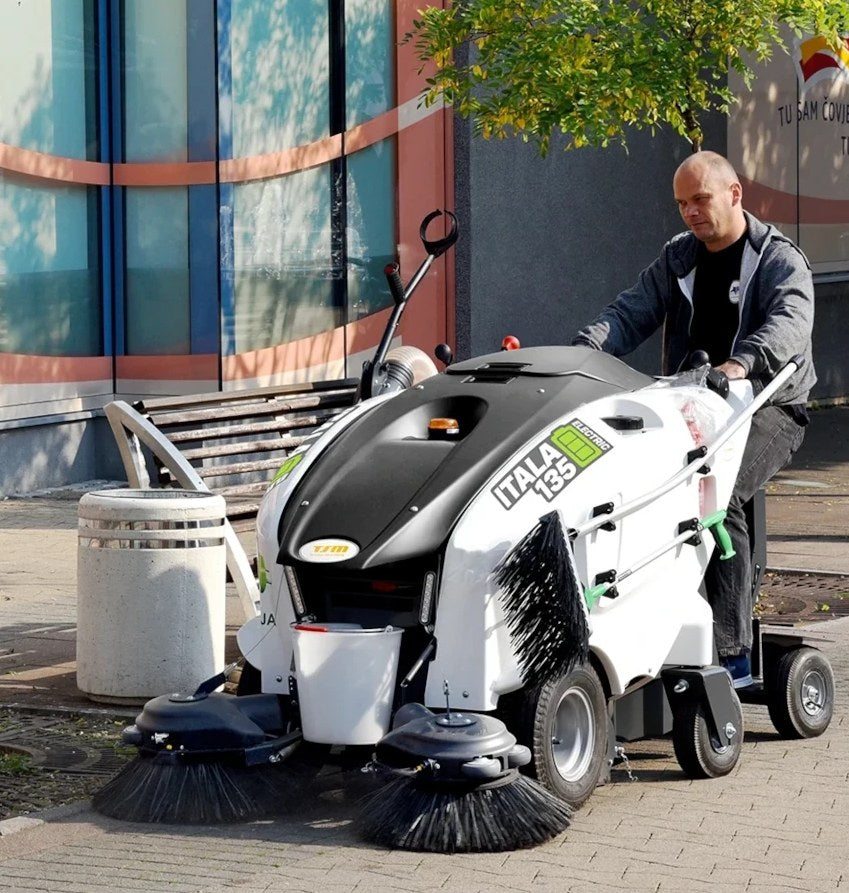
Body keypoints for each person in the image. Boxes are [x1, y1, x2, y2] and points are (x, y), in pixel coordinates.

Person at [572, 151, 815, 688]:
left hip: (768, 404)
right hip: (692, 405)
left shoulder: (778, 260)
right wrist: (582, 353)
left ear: (734, 194)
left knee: (715, 498)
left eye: (699, 199)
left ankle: (732, 658)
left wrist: (741, 364)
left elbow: (789, 326)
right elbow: (629, 312)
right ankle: (663, 631)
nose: (690, 213)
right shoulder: (679, 258)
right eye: (681, 204)